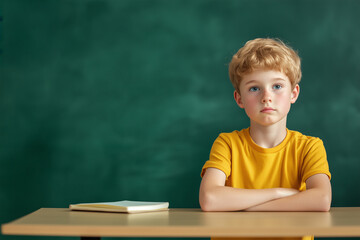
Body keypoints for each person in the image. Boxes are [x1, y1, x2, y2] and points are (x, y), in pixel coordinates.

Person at [199, 38, 332, 240]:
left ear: (293, 93)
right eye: (254, 88)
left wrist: (243, 207)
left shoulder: (309, 147)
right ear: (239, 99)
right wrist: (279, 193)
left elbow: (322, 200)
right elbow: (210, 199)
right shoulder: (227, 143)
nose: (266, 97)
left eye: (277, 86)